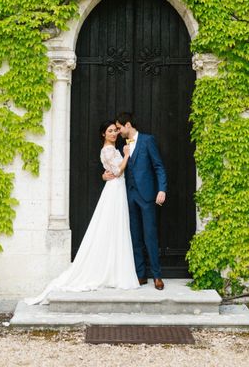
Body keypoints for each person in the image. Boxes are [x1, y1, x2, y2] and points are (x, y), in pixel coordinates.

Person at [21, 121, 139, 306]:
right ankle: (110, 271)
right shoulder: (108, 150)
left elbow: (111, 171)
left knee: (116, 227)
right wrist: (126, 155)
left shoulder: (111, 149)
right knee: (111, 225)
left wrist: (109, 169)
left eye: (115, 130)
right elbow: (116, 170)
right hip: (114, 189)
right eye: (110, 131)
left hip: (118, 188)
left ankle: (114, 269)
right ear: (103, 134)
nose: (114, 133)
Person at [104, 112, 167, 290]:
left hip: (147, 196)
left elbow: (158, 166)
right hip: (128, 196)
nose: (117, 132)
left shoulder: (147, 141)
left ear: (128, 125)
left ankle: (157, 275)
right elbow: (114, 168)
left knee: (150, 236)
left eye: (119, 128)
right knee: (135, 236)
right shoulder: (122, 146)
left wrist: (162, 189)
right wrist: (104, 175)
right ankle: (140, 275)